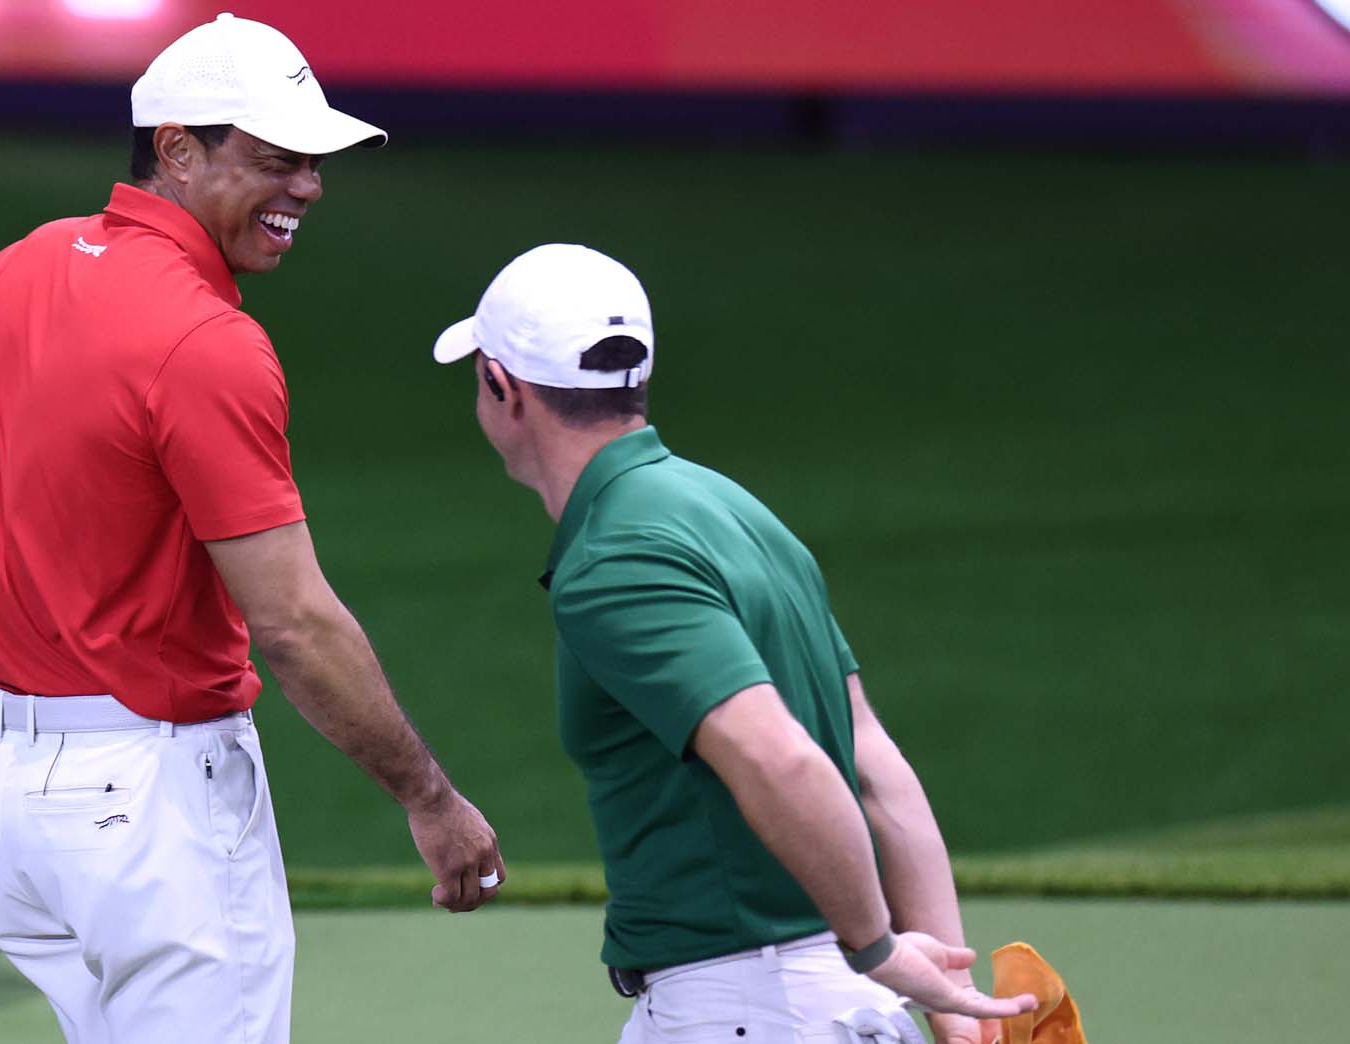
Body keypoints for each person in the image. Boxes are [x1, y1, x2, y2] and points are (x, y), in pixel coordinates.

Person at [0, 14, 505, 1043]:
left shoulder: (6, 279)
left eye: (310, 161)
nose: (305, 185)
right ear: (177, 148)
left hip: (10, 807)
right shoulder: (207, 342)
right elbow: (295, 625)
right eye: (273, 158)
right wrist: (429, 797)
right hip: (152, 815)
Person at [430, 244, 1037, 1044]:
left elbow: (777, 757)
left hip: (752, 1009)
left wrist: (879, 948)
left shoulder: (616, 556)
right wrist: (949, 994)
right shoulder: (736, 511)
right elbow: (871, 758)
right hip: (792, 1004)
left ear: (501, 387)